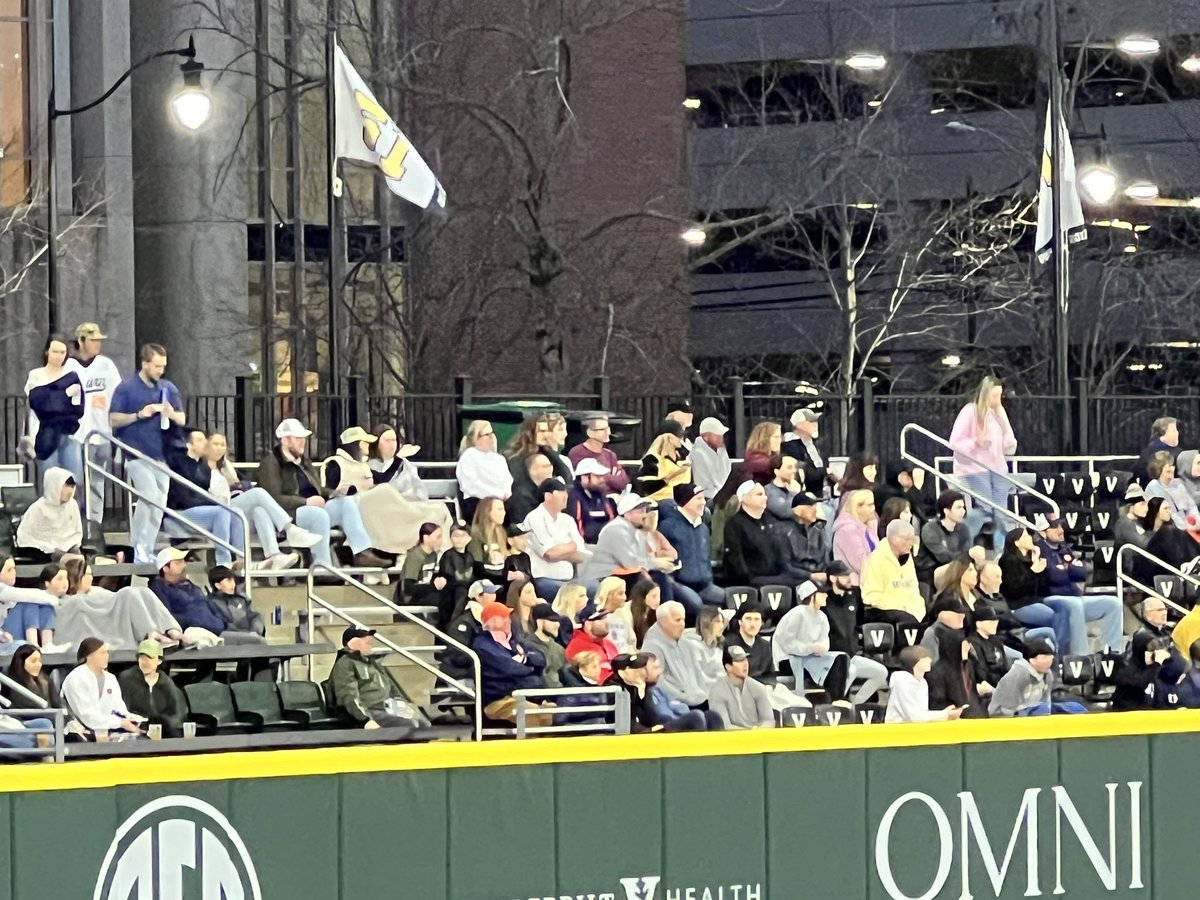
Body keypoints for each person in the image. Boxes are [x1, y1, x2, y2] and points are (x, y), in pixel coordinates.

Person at [256, 418, 391, 574]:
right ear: (285, 440)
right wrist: (305, 502)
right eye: (298, 439)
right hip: (289, 514)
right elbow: (273, 498)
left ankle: (362, 552)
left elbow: (317, 488)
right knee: (318, 515)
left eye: (303, 438)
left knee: (345, 503)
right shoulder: (271, 463)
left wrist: (333, 493)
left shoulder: (303, 461)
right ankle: (322, 565)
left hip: (312, 506)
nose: (303, 442)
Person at [108, 343, 185, 564]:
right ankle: (137, 546)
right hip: (135, 453)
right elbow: (113, 419)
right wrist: (139, 415)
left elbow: (182, 419)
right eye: (157, 366)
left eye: (163, 366)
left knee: (158, 503)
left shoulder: (168, 388)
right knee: (149, 496)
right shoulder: (127, 388)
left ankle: (147, 547)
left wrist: (170, 413)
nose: (161, 371)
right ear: (145, 364)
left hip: (161, 454)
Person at [203, 430, 316, 572]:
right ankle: (289, 529)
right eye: (215, 444)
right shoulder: (202, 467)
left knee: (259, 511)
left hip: (234, 511)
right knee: (258, 493)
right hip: (215, 511)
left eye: (223, 444)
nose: (219, 448)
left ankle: (274, 555)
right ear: (206, 445)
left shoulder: (226, 467)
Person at [773, 581, 888, 705]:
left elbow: (825, 641)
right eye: (822, 593)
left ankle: (840, 701)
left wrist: (821, 648)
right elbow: (787, 644)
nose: (826, 596)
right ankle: (835, 701)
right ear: (812, 596)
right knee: (841, 664)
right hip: (788, 661)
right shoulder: (797, 613)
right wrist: (809, 648)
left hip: (812, 658)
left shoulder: (822, 616)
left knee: (842, 658)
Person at [1033, 513, 1124, 655]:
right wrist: (1069, 569)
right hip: (1051, 599)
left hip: (1074, 597)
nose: (1060, 530)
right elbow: (1054, 577)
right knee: (1075, 606)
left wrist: (1065, 570)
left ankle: (1113, 652)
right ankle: (1081, 656)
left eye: (1060, 525)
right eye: (1054, 527)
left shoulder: (1063, 548)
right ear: (1042, 532)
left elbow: (1082, 573)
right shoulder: (1038, 550)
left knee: (1113, 603)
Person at [55, 554, 185, 651]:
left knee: (142, 592)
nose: (92, 577)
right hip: (112, 617)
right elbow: (110, 604)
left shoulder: (95, 590)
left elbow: (111, 598)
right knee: (128, 593)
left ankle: (170, 629)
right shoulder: (70, 600)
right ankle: (151, 633)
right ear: (78, 577)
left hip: (116, 605)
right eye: (88, 574)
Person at [64, 322, 122, 522]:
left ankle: (94, 526)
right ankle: (74, 525)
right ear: (81, 341)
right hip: (76, 435)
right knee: (74, 482)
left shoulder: (106, 365)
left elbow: (117, 395)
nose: (97, 344)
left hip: (101, 433)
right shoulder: (68, 366)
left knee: (97, 484)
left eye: (99, 340)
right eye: (93, 340)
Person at [365, 423, 455, 550]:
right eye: (386, 440)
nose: (392, 444)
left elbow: (421, 491)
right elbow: (383, 490)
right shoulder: (369, 466)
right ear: (376, 442)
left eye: (394, 440)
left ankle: (443, 553)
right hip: (389, 510)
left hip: (410, 505)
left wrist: (413, 496)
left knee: (440, 509)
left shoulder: (406, 464)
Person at [948, 375, 1017, 534]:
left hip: (998, 468)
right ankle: (980, 542)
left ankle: (1002, 546)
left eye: (1000, 396)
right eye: (994, 396)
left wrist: (1002, 417)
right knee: (986, 509)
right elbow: (954, 442)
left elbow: (1009, 444)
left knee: (1001, 510)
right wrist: (975, 443)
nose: (997, 400)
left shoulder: (997, 413)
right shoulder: (970, 411)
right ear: (985, 394)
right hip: (975, 468)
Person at [166, 428, 242, 568]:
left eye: (205, 439)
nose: (205, 443)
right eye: (200, 440)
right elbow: (184, 499)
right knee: (222, 511)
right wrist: (213, 502)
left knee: (236, 512)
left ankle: (241, 558)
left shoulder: (203, 467)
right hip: (180, 512)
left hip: (199, 510)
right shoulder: (179, 464)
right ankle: (223, 562)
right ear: (190, 445)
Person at [579, 494, 670, 599]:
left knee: (660, 577)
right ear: (627, 514)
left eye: (645, 511)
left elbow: (644, 557)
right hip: (608, 576)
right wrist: (656, 563)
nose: (644, 515)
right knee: (650, 581)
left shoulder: (635, 530)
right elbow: (629, 563)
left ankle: (664, 612)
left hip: (628, 574)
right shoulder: (615, 529)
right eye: (640, 512)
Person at [330, 628, 426, 728]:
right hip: (370, 709)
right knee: (409, 724)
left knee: (423, 723)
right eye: (363, 639)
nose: (370, 642)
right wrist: (365, 719)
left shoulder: (374, 663)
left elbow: (394, 690)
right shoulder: (345, 663)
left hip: (387, 707)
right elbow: (348, 696)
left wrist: (403, 705)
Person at [471, 601, 548, 723]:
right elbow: (510, 669)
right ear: (493, 622)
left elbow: (541, 659)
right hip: (499, 700)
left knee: (553, 711)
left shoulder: (514, 640)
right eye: (504, 617)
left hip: (526, 694)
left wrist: (525, 660)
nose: (509, 620)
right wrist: (531, 667)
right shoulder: (483, 645)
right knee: (534, 716)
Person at [23, 333, 84, 485]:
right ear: (47, 352)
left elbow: (78, 409)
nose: (58, 356)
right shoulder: (36, 375)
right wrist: (64, 395)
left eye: (62, 352)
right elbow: (41, 404)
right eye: (55, 352)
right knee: (50, 482)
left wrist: (54, 398)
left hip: (69, 433)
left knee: (74, 480)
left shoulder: (72, 375)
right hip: (44, 434)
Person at [995, 530, 1071, 651]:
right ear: (1016, 542)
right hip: (1019, 605)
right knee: (1054, 616)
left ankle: (1060, 649)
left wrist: (1039, 567)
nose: (1030, 537)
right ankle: (1060, 652)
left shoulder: (1029, 559)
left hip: (1035, 601)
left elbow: (1042, 589)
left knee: (1064, 610)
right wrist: (1033, 571)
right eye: (1025, 535)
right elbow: (1015, 590)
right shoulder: (1008, 560)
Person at [723, 481, 808, 587]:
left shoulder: (770, 520)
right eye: (759, 494)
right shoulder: (734, 525)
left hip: (776, 575)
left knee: (806, 582)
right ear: (744, 498)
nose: (765, 498)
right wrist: (747, 580)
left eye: (764, 494)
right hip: (753, 579)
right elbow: (736, 561)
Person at [612, 651, 722, 733]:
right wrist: (650, 729)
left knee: (712, 716)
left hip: (656, 728)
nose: (639, 673)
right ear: (623, 672)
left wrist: (642, 694)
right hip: (642, 735)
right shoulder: (616, 688)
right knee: (695, 717)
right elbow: (627, 723)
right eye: (634, 669)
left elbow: (652, 717)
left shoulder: (640, 687)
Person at [60, 637, 143, 740]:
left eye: (107, 653)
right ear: (89, 656)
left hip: (107, 729)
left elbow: (119, 709)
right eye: (102, 653)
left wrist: (131, 719)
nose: (106, 656)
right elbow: (87, 716)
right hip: (79, 732)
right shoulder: (76, 678)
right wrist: (119, 723)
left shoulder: (110, 678)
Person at [657, 483, 724, 609]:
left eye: (704, 499)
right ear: (685, 501)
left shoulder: (703, 527)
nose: (703, 503)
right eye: (698, 499)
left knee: (731, 599)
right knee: (698, 606)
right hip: (680, 584)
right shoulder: (668, 527)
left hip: (706, 584)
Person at [147, 547, 235, 641]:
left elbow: (209, 605)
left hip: (221, 629)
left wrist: (224, 622)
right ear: (165, 568)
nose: (184, 565)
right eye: (178, 563)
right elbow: (166, 616)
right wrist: (193, 621)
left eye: (183, 561)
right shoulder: (157, 588)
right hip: (194, 633)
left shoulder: (189, 585)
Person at [525, 477, 590, 600]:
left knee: (594, 587)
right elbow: (549, 554)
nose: (565, 495)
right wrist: (571, 547)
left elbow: (581, 555)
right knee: (573, 596)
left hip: (570, 578)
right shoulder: (534, 518)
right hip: (544, 578)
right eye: (560, 492)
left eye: (565, 492)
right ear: (548, 496)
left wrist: (561, 551)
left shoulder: (568, 520)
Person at [988, 638, 1085, 717]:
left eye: (1050, 657)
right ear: (1032, 660)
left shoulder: (1047, 675)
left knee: (1075, 708)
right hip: (1012, 717)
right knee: (1041, 709)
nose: (1049, 661)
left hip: (1036, 712)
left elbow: (1046, 703)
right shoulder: (1017, 675)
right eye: (1044, 657)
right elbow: (1003, 710)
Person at [117, 640, 187, 737]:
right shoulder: (126, 679)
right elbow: (121, 710)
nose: (145, 662)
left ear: (159, 660)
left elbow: (176, 713)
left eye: (150, 658)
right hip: (134, 731)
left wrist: (163, 725)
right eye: (142, 658)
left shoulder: (166, 682)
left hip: (163, 732)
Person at [860, 519, 925, 624]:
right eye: (907, 539)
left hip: (909, 611)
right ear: (894, 539)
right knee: (907, 620)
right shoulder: (876, 559)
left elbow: (914, 590)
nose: (911, 544)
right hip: (882, 610)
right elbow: (871, 595)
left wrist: (917, 609)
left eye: (912, 540)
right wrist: (900, 607)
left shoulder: (908, 559)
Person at [437, 580, 498, 684]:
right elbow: (458, 656)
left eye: (494, 593)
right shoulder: (463, 623)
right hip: (460, 675)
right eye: (490, 593)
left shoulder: (487, 619)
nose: (494, 597)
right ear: (478, 596)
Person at [15, 467, 83, 560]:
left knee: (78, 558)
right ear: (54, 485)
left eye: (72, 487)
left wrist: (69, 545)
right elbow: (24, 536)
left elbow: (77, 532)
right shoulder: (38, 508)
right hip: (44, 551)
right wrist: (48, 547)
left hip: (68, 548)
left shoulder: (73, 505)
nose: (70, 491)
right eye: (66, 486)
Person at [917, 491, 979, 590]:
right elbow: (943, 557)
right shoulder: (930, 528)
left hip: (956, 569)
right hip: (930, 573)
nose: (963, 511)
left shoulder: (963, 528)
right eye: (958, 508)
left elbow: (967, 554)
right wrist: (969, 554)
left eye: (963, 507)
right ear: (946, 511)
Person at [885, 646, 964, 723]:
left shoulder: (923, 682)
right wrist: (944, 714)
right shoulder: (902, 681)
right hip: (898, 730)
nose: (929, 660)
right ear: (913, 662)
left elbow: (922, 713)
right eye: (923, 658)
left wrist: (945, 713)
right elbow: (913, 717)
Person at [456, 420, 514, 523]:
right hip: (478, 501)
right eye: (487, 434)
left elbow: (507, 480)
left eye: (492, 433)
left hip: (501, 500)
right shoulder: (469, 456)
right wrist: (494, 494)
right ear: (476, 438)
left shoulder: (499, 458)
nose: (492, 437)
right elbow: (471, 486)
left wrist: (505, 493)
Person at [398, 522, 454, 628]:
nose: (441, 541)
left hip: (426, 591)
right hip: (412, 597)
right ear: (426, 538)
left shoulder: (433, 554)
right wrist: (433, 586)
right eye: (438, 537)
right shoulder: (415, 557)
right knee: (444, 600)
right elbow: (408, 588)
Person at [707, 645, 775, 729]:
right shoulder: (717, 691)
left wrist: (759, 731)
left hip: (758, 737)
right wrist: (748, 735)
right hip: (732, 739)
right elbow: (724, 726)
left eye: (745, 659)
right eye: (739, 661)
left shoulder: (758, 687)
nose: (745, 664)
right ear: (728, 667)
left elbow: (769, 720)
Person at [0, 561, 63, 651]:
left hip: (6, 636)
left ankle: (47, 644)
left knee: (44, 604)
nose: (14, 572)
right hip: (5, 638)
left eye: (14, 568)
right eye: (9, 570)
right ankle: (33, 645)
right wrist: (56, 600)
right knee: (30, 602)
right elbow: (28, 595)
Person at [925, 628, 987, 718]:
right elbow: (938, 702)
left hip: (978, 713)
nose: (968, 647)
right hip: (957, 718)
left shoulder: (968, 664)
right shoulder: (937, 671)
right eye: (964, 644)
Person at [568, 415, 629, 495]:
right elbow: (591, 484)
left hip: (615, 499)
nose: (608, 432)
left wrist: (602, 477)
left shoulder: (610, 455)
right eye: (603, 429)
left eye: (608, 428)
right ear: (590, 432)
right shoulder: (577, 453)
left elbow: (623, 482)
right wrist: (611, 477)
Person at [638, 420, 692, 502]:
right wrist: (672, 475)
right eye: (679, 436)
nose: (681, 440)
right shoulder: (652, 458)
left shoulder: (683, 457)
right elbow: (647, 489)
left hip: (682, 500)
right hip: (660, 501)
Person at [1144, 450, 1200, 530]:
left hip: (1189, 528)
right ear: (1159, 469)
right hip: (1168, 529)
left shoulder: (1178, 483)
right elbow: (1171, 514)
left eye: (1172, 465)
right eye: (1167, 466)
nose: (1171, 468)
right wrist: (1187, 527)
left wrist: (1197, 524)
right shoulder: (1154, 486)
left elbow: (1192, 507)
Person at [206, 565, 266, 639]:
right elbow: (222, 626)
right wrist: (245, 635)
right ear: (218, 585)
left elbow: (255, 616)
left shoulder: (242, 598)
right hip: (229, 641)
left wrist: (254, 632)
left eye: (232, 580)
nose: (233, 584)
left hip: (251, 637)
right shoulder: (210, 603)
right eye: (228, 581)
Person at [566, 458, 617, 544]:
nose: (602, 480)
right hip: (587, 545)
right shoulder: (574, 496)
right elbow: (577, 527)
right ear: (584, 477)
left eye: (602, 476)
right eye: (598, 477)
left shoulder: (599, 493)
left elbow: (611, 518)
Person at [832, 489, 878, 581]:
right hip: (854, 586)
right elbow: (861, 564)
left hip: (869, 583)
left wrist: (873, 527)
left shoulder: (867, 526)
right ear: (858, 508)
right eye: (870, 505)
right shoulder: (847, 530)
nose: (873, 508)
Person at [565, 607, 619, 683]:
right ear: (588, 624)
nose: (606, 622)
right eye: (600, 619)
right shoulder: (577, 647)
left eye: (605, 617)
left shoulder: (609, 643)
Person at [781, 407, 827, 495]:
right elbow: (802, 473)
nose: (815, 425)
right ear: (798, 425)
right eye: (811, 422)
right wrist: (826, 471)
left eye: (816, 422)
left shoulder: (814, 445)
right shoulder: (790, 447)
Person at [681, 605, 727, 692]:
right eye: (717, 621)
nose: (722, 626)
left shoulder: (719, 645)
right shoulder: (691, 645)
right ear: (706, 622)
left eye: (722, 621)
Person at [723, 601, 773, 680]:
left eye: (756, 619)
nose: (753, 624)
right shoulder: (727, 643)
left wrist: (769, 686)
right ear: (740, 622)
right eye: (748, 619)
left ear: (761, 623)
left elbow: (770, 675)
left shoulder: (765, 645)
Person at [967, 604, 1011, 693]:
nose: (995, 624)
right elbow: (982, 673)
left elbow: (1006, 666)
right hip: (989, 688)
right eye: (991, 621)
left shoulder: (996, 640)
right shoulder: (972, 644)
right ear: (978, 623)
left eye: (996, 621)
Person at [525, 603, 568, 687]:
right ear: (539, 622)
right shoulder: (525, 646)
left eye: (558, 621)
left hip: (560, 695)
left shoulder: (559, 649)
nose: (557, 624)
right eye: (552, 620)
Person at [690, 417, 732, 501]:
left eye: (721, 435)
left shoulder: (722, 451)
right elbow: (702, 485)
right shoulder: (697, 454)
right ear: (706, 436)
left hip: (724, 495)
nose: (721, 437)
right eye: (717, 435)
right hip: (707, 498)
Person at [918, 595, 969, 663]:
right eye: (957, 613)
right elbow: (932, 663)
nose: (962, 616)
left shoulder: (962, 633)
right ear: (942, 614)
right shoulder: (932, 633)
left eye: (962, 613)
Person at [1134, 416, 1180, 485]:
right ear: (1162, 433)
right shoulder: (1149, 453)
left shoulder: (1179, 452)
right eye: (1173, 431)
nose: (1177, 433)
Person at [1114, 483, 1152, 552]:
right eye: (1142, 504)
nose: (1147, 508)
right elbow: (1144, 544)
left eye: (1147, 504)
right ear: (1131, 506)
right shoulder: (1124, 524)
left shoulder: (1138, 522)